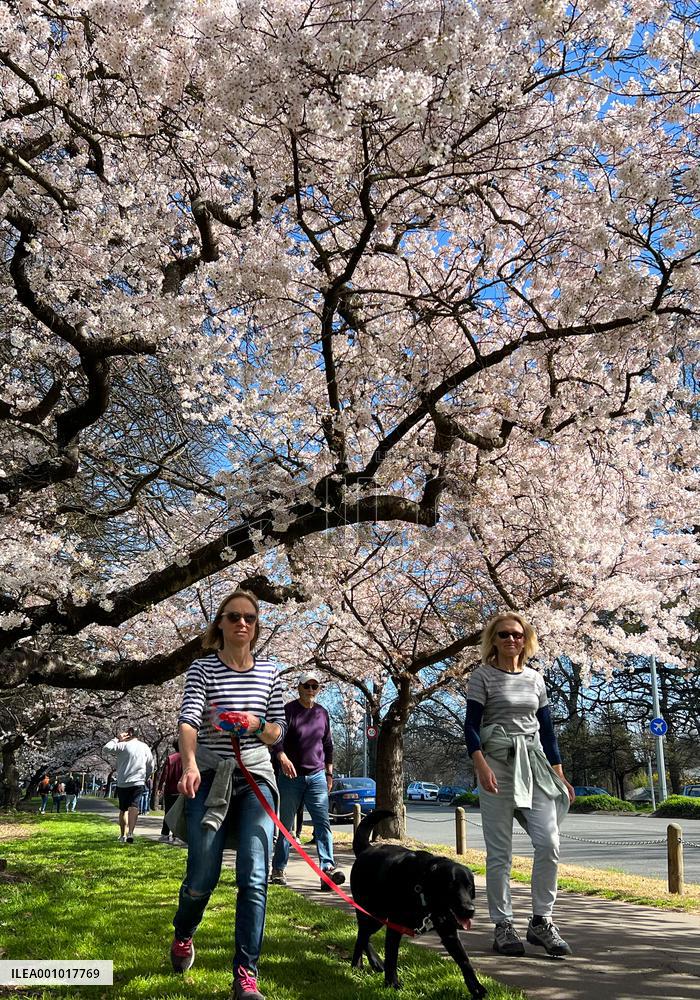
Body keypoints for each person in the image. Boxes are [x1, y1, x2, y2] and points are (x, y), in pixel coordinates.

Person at [166, 588, 285, 1000]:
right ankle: (184, 931)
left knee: (254, 877)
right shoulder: (202, 669)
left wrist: (253, 724)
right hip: (212, 777)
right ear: (220, 622)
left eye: (249, 618)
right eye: (233, 616)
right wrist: (191, 763)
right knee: (203, 875)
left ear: (256, 626)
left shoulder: (270, 671)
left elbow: (276, 732)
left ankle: (245, 976)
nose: (241, 624)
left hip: (256, 779)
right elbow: (188, 721)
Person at [464, 613, 575, 959]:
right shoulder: (482, 677)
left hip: (535, 764)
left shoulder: (535, 679)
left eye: (517, 635)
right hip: (497, 763)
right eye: (504, 635)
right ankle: (503, 924)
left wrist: (558, 772)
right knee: (500, 854)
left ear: (526, 639)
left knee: (549, 842)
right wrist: (480, 764)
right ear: (493, 641)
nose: (511, 640)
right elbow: (470, 726)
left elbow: (548, 730)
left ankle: (541, 919)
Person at [269, 669, 343, 891]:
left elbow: (328, 745)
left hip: (317, 775)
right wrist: (282, 758)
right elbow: (276, 740)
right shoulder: (288, 711)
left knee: (323, 824)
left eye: (315, 686)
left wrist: (329, 773)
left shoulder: (322, 713)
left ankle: (327, 871)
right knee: (285, 825)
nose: (311, 690)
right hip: (291, 777)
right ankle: (278, 869)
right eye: (306, 686)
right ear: (299, 688)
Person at [103, 727, 154, 844]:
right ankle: (131, 832)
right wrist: (145, 777)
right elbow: (150, 765)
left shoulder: (122, 746)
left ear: (128, 734)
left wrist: (117, 738)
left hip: (123, 782)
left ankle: (123, 835)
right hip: (138, 782)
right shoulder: (144, 747)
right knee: (134, 806)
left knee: (123, 810)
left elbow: (106, 748)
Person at [158, 740, 183, 842]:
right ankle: (176, 835)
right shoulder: (187, 758)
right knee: (179, 814)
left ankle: (165, 834)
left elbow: (165, 774)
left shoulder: (170, 758)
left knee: (168, 813)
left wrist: (160, 787)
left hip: (170, 789)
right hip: (181, 790)